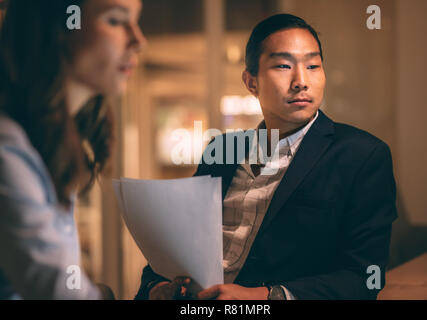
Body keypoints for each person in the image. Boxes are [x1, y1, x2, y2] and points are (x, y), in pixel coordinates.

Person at [136, 13, 397, 300]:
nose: (301, 81)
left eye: (313, 65)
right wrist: (156, 286)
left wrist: (263, 296)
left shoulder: (361, 155)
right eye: (284, 66)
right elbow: (179, 245)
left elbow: (364, 278)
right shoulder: (221, 151)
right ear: (251, 82)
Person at [0, 0, 145, 299]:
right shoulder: (7, 149)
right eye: (116, 21)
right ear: (61, 26)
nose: (138, 41)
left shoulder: (50, 139)